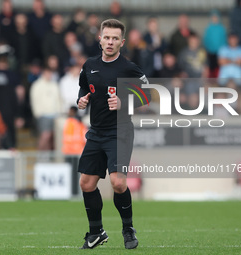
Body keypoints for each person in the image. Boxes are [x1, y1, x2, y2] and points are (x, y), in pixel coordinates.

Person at [77, 19, 150, 250]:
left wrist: (124, 101)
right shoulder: (89, 65)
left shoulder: (128, 68)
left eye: (115, 38)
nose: (110, 42)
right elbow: (83, 86)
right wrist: (82, 99)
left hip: (120, 131)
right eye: (106, 37)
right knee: (86, 183)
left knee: (118, 183)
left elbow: (147, 94)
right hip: (96, 132)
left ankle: (128, 229)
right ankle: (96, 232)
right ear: (100, 39)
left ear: (122, 42)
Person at [203, 9, 227, 78]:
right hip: (210, 52)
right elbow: (206, 40)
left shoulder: (222, 28)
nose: (215, 19)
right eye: (213, 17)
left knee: (219, 68)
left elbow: (224, 40)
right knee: (211, 67)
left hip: (220, 53)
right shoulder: (208, 28)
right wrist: (207, 49)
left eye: (216, 17)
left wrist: (223, 51)